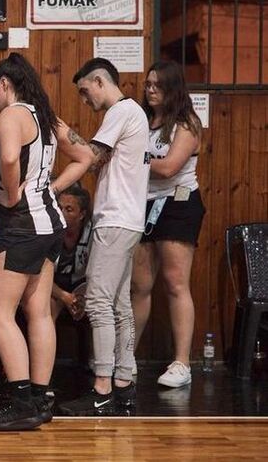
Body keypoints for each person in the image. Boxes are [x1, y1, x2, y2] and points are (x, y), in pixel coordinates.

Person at [0, 53, 94, 431]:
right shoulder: (46, 116)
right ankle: (42, 398)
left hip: (21, 224)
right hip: (50, 224)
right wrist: (51, 188)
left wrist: (12, 192)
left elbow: (10, 158)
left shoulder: (12, 114)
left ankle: (21, 401)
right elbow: (86, 155)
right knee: (39, 311)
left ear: (6, 84)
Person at [59, 58, 150, 416]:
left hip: (116, 221)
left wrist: (62, 134)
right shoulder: (135, 114)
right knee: (119, 306)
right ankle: (124, 384)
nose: (84, 100)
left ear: (100, 81)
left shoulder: (121, 112)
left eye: (84, 91)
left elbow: (92, 159)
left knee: (97, 304)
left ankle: (101, 389)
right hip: (128, 220)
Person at [131, 60, 205, 388]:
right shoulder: (144, 120)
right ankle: (125, 357)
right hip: (143, 205)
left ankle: (182, 363)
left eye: (157, 85)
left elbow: (169, 167)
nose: (150, 90)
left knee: (175, 282)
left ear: (173, 88)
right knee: (140, 285)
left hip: (178, 203)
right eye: (148, 84)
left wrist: (135, 159)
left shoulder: (186, 122)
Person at [51, 185, 92, 322]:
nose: (61, 213)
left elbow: (98, 275)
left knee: (97, 308)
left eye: (68, 209)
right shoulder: (47, 231)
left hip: (82, 286)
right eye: (59, 208)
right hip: (52, 285)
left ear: (82, 214)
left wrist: (77, 296)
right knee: (48, 307)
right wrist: (65, 297)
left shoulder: (93, 234)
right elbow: (38, 276)